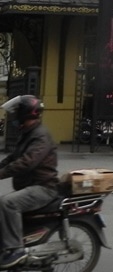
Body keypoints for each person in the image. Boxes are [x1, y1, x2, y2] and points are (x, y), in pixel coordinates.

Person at [0, 95, 59, 269]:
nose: (14, 116)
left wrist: (1, 174)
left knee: (8, 203)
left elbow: (27, 161)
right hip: (30, 186)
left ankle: (16, 250)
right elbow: (12, 158)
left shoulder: (40, 136)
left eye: (17, 112)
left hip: (44, 187)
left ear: (26, 113)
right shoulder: (27, 133)